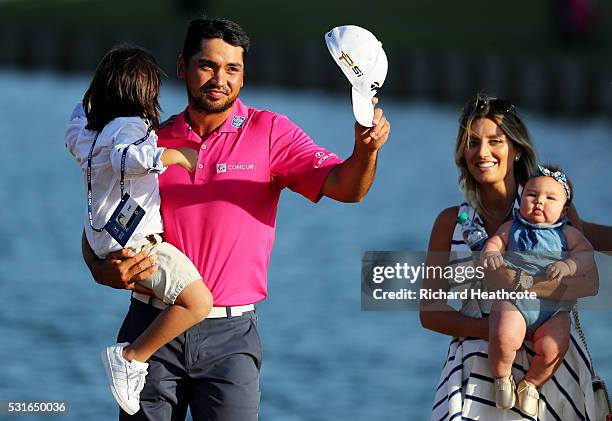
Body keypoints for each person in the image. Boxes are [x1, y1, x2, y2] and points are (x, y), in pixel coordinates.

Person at [80, 17, 390, 420]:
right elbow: (99, 213)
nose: (219, 79)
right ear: (182, 67)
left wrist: (366, 151)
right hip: (150, 329)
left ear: (243, 75)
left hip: (230, 339)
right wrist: (99, 267)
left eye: (232, 69)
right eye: (207, 66)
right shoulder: (149, 142)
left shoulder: (272, 133)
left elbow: (347, 188)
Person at [420, 94, 610, 420]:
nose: (483, 152)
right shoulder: (449, 222)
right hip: (476, 373)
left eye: (496, 141)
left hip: (551, 363)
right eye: (473, 142)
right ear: (462, 155)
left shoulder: (552, 209)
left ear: (516, 148)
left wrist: (528, 310)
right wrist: (495, 330)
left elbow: (589, 282)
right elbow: (430, 313)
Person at [65, 46, 214, 415]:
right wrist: (177, 156)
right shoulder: (131, 126)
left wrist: (90, 99)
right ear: (143, 94)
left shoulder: (91, 132)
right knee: (199, 302)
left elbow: (72, 131)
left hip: (104, 240)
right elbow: (126, 158)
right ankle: (132, 356)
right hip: (139, 245)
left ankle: (137, 355)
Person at [481, 165, 594, 416]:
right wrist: (491, 254)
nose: (539, 202)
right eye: (532, 195)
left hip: (552, 310)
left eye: (550, 198)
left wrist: (569, 264)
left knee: (555, 347)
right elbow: (495, 242)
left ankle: (531, 384)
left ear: (564, 209)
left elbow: (587, 255)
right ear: (522, 198)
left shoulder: (567, 233)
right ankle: (502, 377)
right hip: (516, 301)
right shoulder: (512, 227)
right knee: (503, 335)